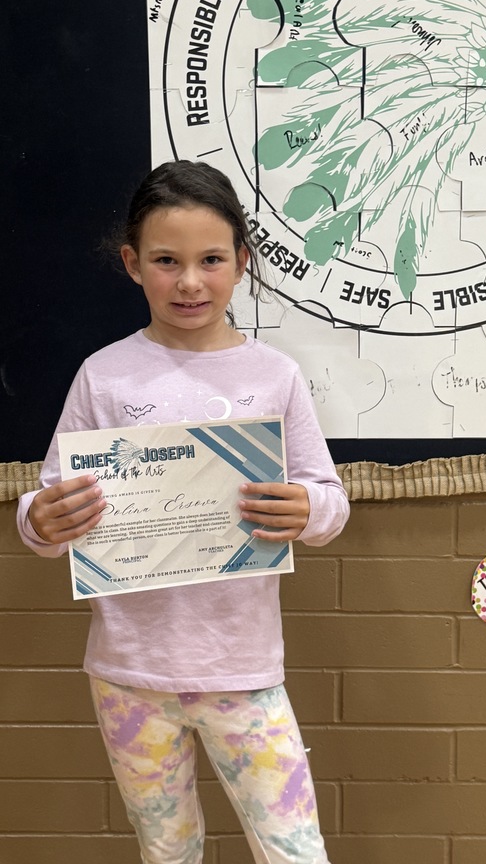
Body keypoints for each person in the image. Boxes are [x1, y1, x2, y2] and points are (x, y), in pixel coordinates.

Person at [16, 160, 349, 864]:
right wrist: (40, 521)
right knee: (167, 850)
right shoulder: (104, 376)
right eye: (167, 261)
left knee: (295, 850)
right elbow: (47, 505)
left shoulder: (274, 375)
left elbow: (329, 500)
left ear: (242, 263)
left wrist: (305, 509)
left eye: (211, 260)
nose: (190, 281)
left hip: (244, 669)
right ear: (133, 264)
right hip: (129, 671)